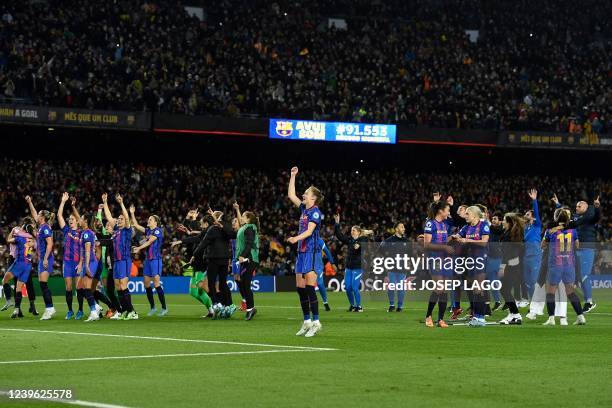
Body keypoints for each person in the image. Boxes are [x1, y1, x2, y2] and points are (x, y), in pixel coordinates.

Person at [287, 166, 324, 337]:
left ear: (313, 198)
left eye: (307, 192)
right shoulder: (304, 209)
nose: (304, 193)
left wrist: (296, 238)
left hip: (312, 252)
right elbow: (290, 195)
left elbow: (309, 232)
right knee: (300, 287)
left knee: (309, 287)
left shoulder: (315, 212)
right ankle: (307, 321)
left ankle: (316, 322)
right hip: (302, 253)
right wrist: (293, 176)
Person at [553, 194, 601, 313]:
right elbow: (565, 216)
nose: (576, 208)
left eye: (579, 206)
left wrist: (597, 208)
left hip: (587, 249)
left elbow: (596, 217)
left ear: (585, 207)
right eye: (576, 206)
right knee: (573, 278)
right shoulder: (575, 218)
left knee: (584, 275)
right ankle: (584, 298)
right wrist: (558, 205)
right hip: (574, 250)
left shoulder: (589, 217)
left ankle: (589, 301)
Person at [541, 208, 586, 325]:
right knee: (570, 292)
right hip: (569, 265)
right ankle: (581, 317)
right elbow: (577, 245)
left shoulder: (550, 231)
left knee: (550, 292)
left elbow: (543, 246)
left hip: (555, 264)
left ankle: (551, 319)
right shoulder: (573, 230)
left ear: (556, 218)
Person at [193, 210, 236, 319]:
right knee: (222, 283)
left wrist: (195, 254)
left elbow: (203, 243)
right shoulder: (226, 228)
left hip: (214, 259)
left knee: (211, 283)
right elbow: (233, 234)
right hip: (225, 259)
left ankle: (217, 304)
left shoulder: (212, 229)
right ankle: (228, 305)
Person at [451, 206, 489, 327]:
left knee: (479, 288)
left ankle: (481, 318)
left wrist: (467, 240)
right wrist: (455, 237)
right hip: (470, 260)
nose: (465, 216)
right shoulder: (467, 227)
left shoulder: (484, 225)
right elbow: (458, 236)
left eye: (467, 214)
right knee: (474, 289)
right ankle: (476, 316)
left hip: (481, 259)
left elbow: (484, 242)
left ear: (475, 215)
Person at [102, 193, 138, 320]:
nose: (119, 220)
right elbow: (108, 216)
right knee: (118, 287)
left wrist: (121, 203)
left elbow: (127, 218)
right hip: (116, 261)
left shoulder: (127, 230)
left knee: (123, 285)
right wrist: (105, 202)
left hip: (124, 260)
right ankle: (125, 311)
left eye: (121, 219)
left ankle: (132, 311)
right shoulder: (116, 230)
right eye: (119, 219)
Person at [130, 205, 168, 317]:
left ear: (155, 222)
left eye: (151, 219)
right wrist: (132, 213)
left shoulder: (158, 231)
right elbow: (136, 225)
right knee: (146, 284)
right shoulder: (148, 230)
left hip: (156, 260)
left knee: (156, 283)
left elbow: (150, 241)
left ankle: (164, 308)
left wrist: (139, 248)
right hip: (148, 260)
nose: (148, 220)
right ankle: (153, 307)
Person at [172, 216, 213, 317]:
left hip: (202, 265)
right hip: (195, 266)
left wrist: (180, 241)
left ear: (206, 224)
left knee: (199, 289)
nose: (200, 224)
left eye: (202, 223)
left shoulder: (208, 233)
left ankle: (214, 308)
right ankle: (211, 309)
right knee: (193, 292)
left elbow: (195, 237)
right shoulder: (203, 232)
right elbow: (194, 236)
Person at [25, 195, 56, 320]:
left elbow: (50, 244)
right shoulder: (41, 227)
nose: (36, 216)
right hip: (43, 258)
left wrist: (45, 259)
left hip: (46, 259)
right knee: (42, 284)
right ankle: (49, 308)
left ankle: (49, 308)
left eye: (38, 214)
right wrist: (30, 202)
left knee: (43, 284)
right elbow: (33, 213)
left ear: (42, 217)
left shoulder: (46, 228)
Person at [423, 202, 454, 328]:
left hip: (445, 259)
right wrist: (444, 247)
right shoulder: (430, 224)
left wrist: (451, 238)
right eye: (447, 210)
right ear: (441, 211)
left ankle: (440, 319)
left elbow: (442, 240)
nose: (448, 213)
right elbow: (427, 244)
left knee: (445, 289)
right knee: (439, 288)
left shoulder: (444, 225)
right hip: (435, 259)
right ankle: (428, 316)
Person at [333, 214, 373, 312]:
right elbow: (339, 236)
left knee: (355, 287)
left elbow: (362, 240)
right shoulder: (350, 240)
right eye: (351, 230)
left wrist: (359, 245)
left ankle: (359, 306)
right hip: (349, 267)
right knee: (348, 287)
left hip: (358, 267)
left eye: (353, 230)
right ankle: (352, 305)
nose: (351, 232)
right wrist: (337, 224)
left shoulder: (362, 239)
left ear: (358, 232)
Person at [2, 224, 35, 318]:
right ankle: (16, 309)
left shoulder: (19, 238)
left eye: (22, 227)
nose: (20, 228)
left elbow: (8, 240)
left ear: (24, 230)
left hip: (20, 263)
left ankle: (8, 301)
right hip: (28, 265)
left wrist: (12, 231)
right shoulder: (31, 239)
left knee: (4, 280)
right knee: (18, 288)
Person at [57, 192, 82, 320]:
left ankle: (80, 310)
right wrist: (63, 201)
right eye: (69, 220)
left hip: (78, 262)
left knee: (79, 288)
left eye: (72, 219)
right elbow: (59, 215)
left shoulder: (81, 232)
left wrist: (73, 207)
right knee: (68, 288)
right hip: (67, 262)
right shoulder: (66, 230)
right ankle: (70, 311)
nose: (70, 221)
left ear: (77, 221)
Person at [497, 213, 525, 325]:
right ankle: (513, 314)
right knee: (505, 289)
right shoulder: (512, 234)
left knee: (504, 289)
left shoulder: (509, 235)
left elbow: (507, 253)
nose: (502, 221)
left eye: (504, 219)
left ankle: (516, 315)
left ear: (509, 222)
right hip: (514, 265)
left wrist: (502, 267)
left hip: (510, 266)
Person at [74, 212, 101, 322]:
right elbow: (82, 251)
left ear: (85, 221)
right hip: (86, 261)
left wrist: (86, 266)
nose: (79, 220)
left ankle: (94, 311)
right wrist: (80, 263)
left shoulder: (87, 233)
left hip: (90, 262)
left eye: (81, 218)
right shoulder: (84, 233)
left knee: (86, 287)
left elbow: (88, 251)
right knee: (80, 286)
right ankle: (95, 307)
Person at [234, 210, 260, 321]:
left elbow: (249, 243)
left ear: (248, 219)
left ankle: (250, 309)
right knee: (243, 283)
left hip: (250, 259)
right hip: (245, 259)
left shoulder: (250, 228)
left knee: (245, 284)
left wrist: (242, 255)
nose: (241, 218)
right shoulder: (245, 227)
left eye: (243, 216)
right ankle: (251, 309)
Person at [522, 189, 543, 307]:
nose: (525, 216)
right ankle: (532, 302)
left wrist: (534, 200)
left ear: (533, 217)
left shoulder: (537, 224)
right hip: (526, 256)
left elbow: (536, 212)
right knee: (527, 282)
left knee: (534, 281)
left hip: (535, 255)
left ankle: (537, 304)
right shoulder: (526, 228)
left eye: (527, 214)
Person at [486, 212, 504, 312]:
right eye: (492, 219)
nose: (493, 220)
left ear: (500, 221)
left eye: (495, 219)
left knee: (500, 281)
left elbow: (497, 232)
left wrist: (487, 220)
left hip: (499, 258)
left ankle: (508, 301)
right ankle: (497, 301)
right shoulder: (490, 229)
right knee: (492, 281)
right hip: (490, 257)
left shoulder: (501, 230)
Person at [318, 237, 335, 311]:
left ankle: (325, 303)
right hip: (308, 266)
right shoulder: (305, 238)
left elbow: (327, 251)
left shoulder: (319, 240)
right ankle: (312, 303)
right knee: (310, 285)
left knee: (320, 284)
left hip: (317, 265)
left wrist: (332, 263)